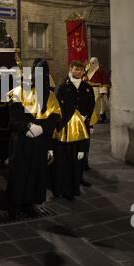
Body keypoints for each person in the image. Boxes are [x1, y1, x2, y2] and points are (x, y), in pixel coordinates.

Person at [7, 59, 62, 220]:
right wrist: (27, 128)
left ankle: (32, 203)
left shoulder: (51, 96)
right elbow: (14, 116)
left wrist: (42, 128)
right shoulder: (19, 91)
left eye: (44, 74)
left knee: (37, 172)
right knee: (20, 172)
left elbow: (55, 117)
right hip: (22, 140)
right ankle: (16, 205)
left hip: (40, 140)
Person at [50, 61, 95, 201]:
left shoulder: (87, 87)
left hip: (83, 123)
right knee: (64, 157)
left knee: (81, 154)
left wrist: (84, 117)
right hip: (66, 125)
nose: (79, 72)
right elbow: (57, 104)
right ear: (71, 69)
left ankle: (78, 178)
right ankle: (60, 184)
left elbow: (91, 104)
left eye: (81, 70)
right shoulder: (64, 87)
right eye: (76, 69)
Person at [85, 57, 111, 124]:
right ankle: (92, 118)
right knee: (91, 105)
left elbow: (104, 81)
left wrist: (102, 92)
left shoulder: (100, 71)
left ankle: (102, 118)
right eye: (91, 63)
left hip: (98, 90)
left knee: (100, 106)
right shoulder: (88, 71)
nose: (92, 64)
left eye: (93, 63)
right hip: (89, 90)